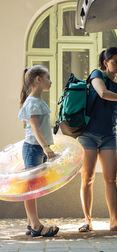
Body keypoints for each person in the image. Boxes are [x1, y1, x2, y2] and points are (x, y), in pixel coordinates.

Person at [78, 47, 117, 232]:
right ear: (105, 63)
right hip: (88, 134)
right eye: (114, 62)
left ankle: (114, 220)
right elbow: (103, 93)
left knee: (111, 179)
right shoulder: (97, 75)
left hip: (108, 136)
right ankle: (87, 220)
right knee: (87, 179)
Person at [18, 65, 59, 237]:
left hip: (36, 149)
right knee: (30, 188)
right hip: (33, 148)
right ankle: (35, 225)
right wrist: (45, 147)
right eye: (47, 77)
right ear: (38, 80)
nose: (50, 81)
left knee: (32, 186)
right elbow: (35, 128)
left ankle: (30, 224)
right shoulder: (33, 102)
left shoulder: (36, 101)